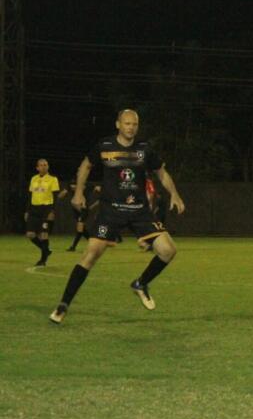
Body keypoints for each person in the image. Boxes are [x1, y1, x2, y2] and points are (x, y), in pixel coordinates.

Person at [49, 109, 186, 324]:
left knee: (168, 250)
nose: (131, 127)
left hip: (139, 211)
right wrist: (78, 192)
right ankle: (63, 305)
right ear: (118, 124)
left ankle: (140, 283)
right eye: (127, 123)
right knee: (91, 254)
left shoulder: (144, 149)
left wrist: (175, 194)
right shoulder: (105, 146)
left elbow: (161, 172)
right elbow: (86, 165)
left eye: (134, 124)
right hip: (110, 211)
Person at [25, 159, 63, 266]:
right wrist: (27, 210)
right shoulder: (33, 179)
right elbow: (30, 196)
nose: (43, 167)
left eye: (45, 165)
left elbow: (55, 196)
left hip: (46, 209)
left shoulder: (53, 179)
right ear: (37, 168)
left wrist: (52, 211)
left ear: (48, 167)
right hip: (34, 209)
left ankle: (43, 260)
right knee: (30, 234)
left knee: (44, 234)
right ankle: (46, 250)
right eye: (41, 165)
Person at [65, 180, 101, 252]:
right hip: (76, 211)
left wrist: (99, 189)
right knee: (83, 230)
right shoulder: (73, 186)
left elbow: (97, 188)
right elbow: (68, 191)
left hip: (83, 211)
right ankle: (94, 243)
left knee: (80, 229)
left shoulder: (86, 187)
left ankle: (73, 247)